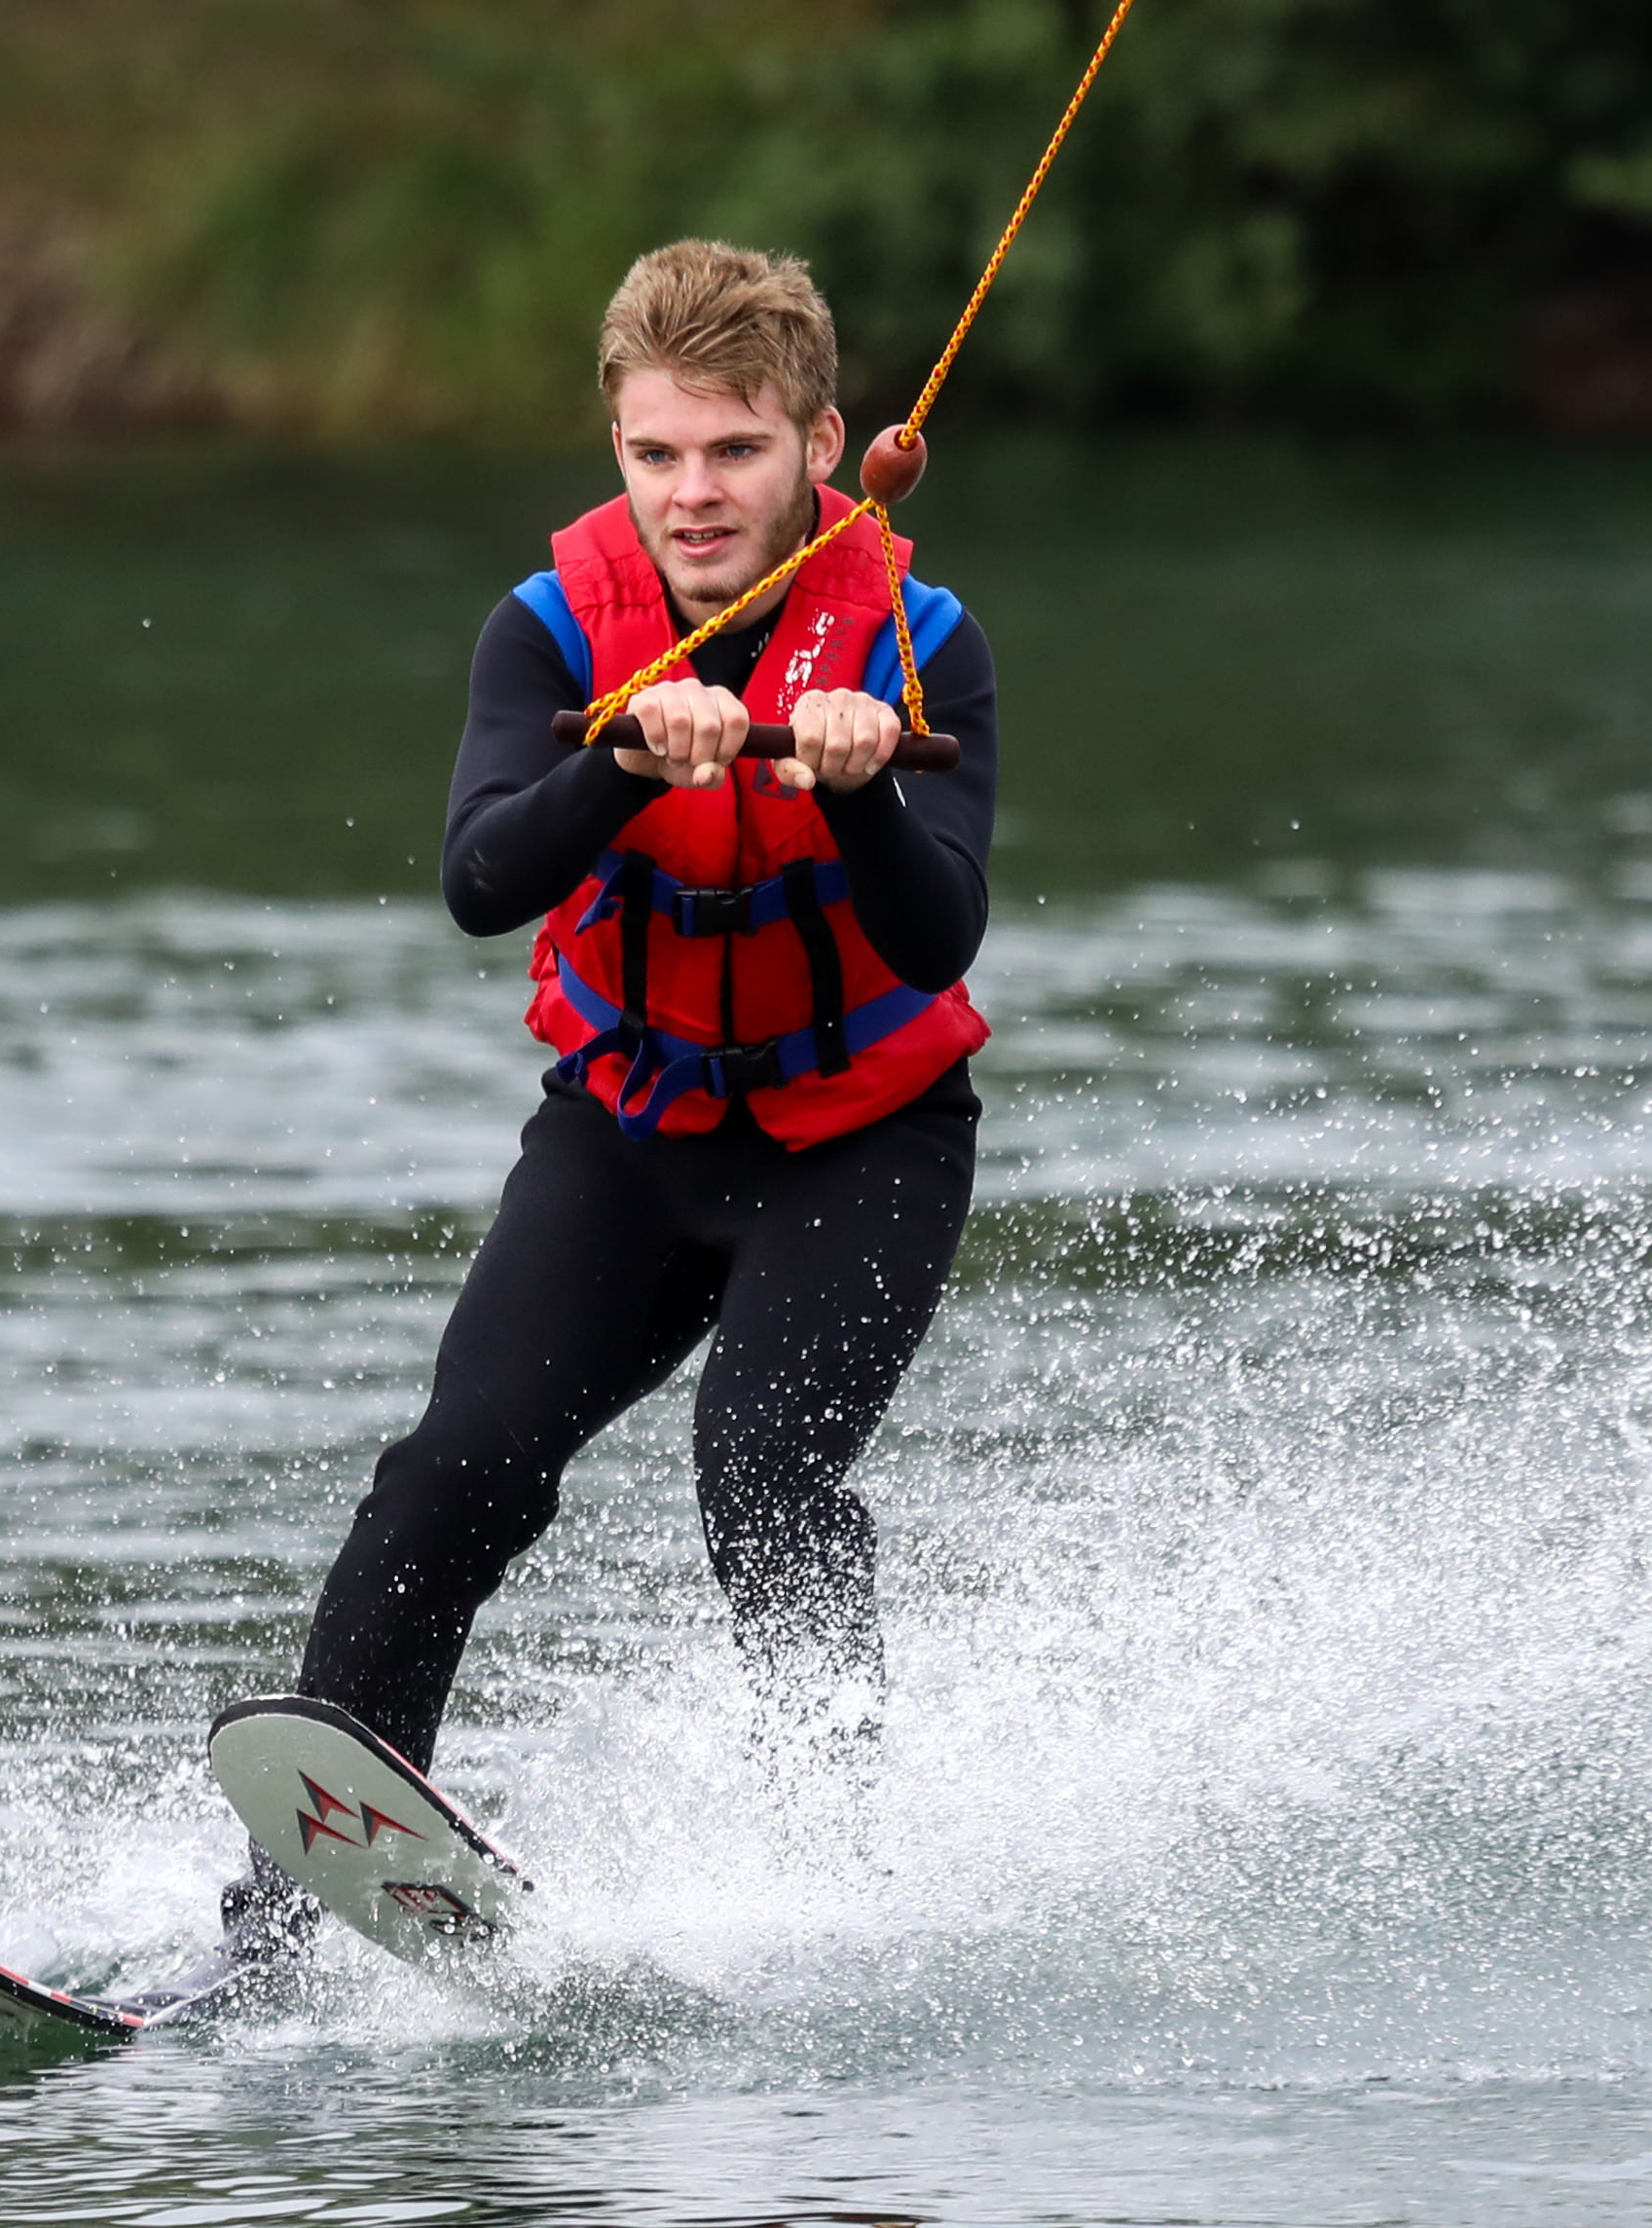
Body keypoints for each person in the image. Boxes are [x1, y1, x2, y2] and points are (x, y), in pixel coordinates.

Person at [226, 240, 1001, 1955]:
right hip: (632, 1133)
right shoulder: (551, 629)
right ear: (617, 449)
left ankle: (837, 1884)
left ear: (821, 443)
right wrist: (622, 757)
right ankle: (279, 1918)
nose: (691, 492)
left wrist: (859, 779)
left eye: (734, 450)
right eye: (656, 453)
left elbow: (938, 929)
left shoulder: (923, 638)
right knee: (454, 1467)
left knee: (763, 1468)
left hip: (861, 1140)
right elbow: (481, 881)